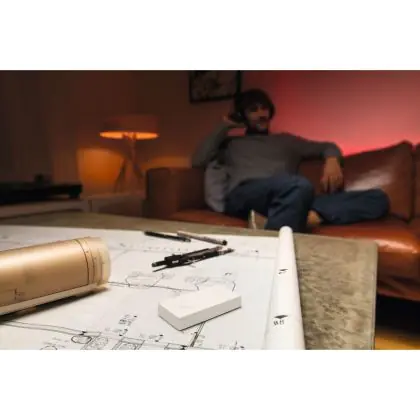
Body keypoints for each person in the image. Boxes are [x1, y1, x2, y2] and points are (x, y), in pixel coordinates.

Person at [191, 88, 390, 233]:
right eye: (253, 110)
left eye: (264, 108)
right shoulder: (231, 144)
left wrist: (332, 160)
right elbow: (199, 160)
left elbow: (326, 146)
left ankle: (288, 220)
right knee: (298, 185)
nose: (261, 114)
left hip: (291, 196)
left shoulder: (287, 141)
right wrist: (224, 126)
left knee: (378, 198)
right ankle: (280, 241)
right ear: (242, 116)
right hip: (245, 195)